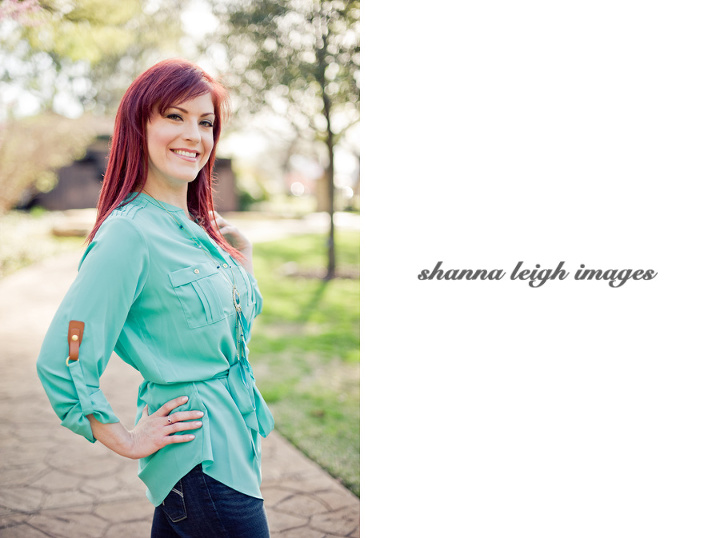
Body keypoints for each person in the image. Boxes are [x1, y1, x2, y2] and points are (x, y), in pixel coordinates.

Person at [36, 58, 274, 537]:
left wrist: (239, 257)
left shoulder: (196, 226)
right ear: (137, 126)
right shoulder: (129, 234)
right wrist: (121, 436)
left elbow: (231, 331)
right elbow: (68, 350)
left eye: (205, 122)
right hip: (202, 460)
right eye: (174, 116)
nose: (194, 134)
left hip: (232, 445)